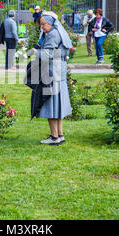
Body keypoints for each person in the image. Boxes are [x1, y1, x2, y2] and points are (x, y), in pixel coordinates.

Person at [30, 12, 72, 146]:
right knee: (58, 105)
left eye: (44, 24)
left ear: (51, 23)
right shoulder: (61, 32)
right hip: (60, 71)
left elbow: (47, 54)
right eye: (41, 24)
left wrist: (36, 52)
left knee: (50, 105)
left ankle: (54, 137)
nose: (42, 27)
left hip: (51, 72)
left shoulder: (53, 34)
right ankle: (60, 135)